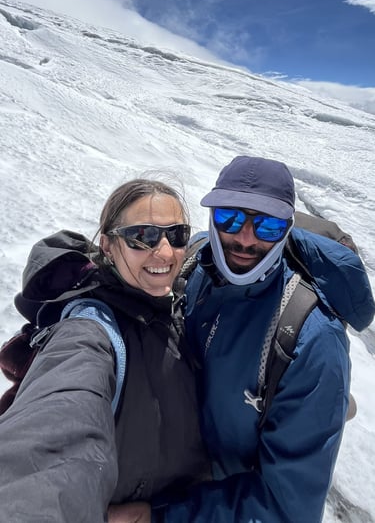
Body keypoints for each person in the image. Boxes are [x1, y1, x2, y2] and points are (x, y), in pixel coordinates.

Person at [118, 156, 374, 523]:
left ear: (287, 230)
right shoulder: (193, 263)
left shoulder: (312, 343)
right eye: (230, 218)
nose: (244, 238)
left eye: (267, 225)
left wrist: (161, 516)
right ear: (213, 217)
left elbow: (287, 508)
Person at [0, 178, 210, 522]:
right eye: (143, 237)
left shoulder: (176, 307)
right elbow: (54, 435)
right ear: (109, 246)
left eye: (176, 235)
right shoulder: (90, 330)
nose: (165, 252)